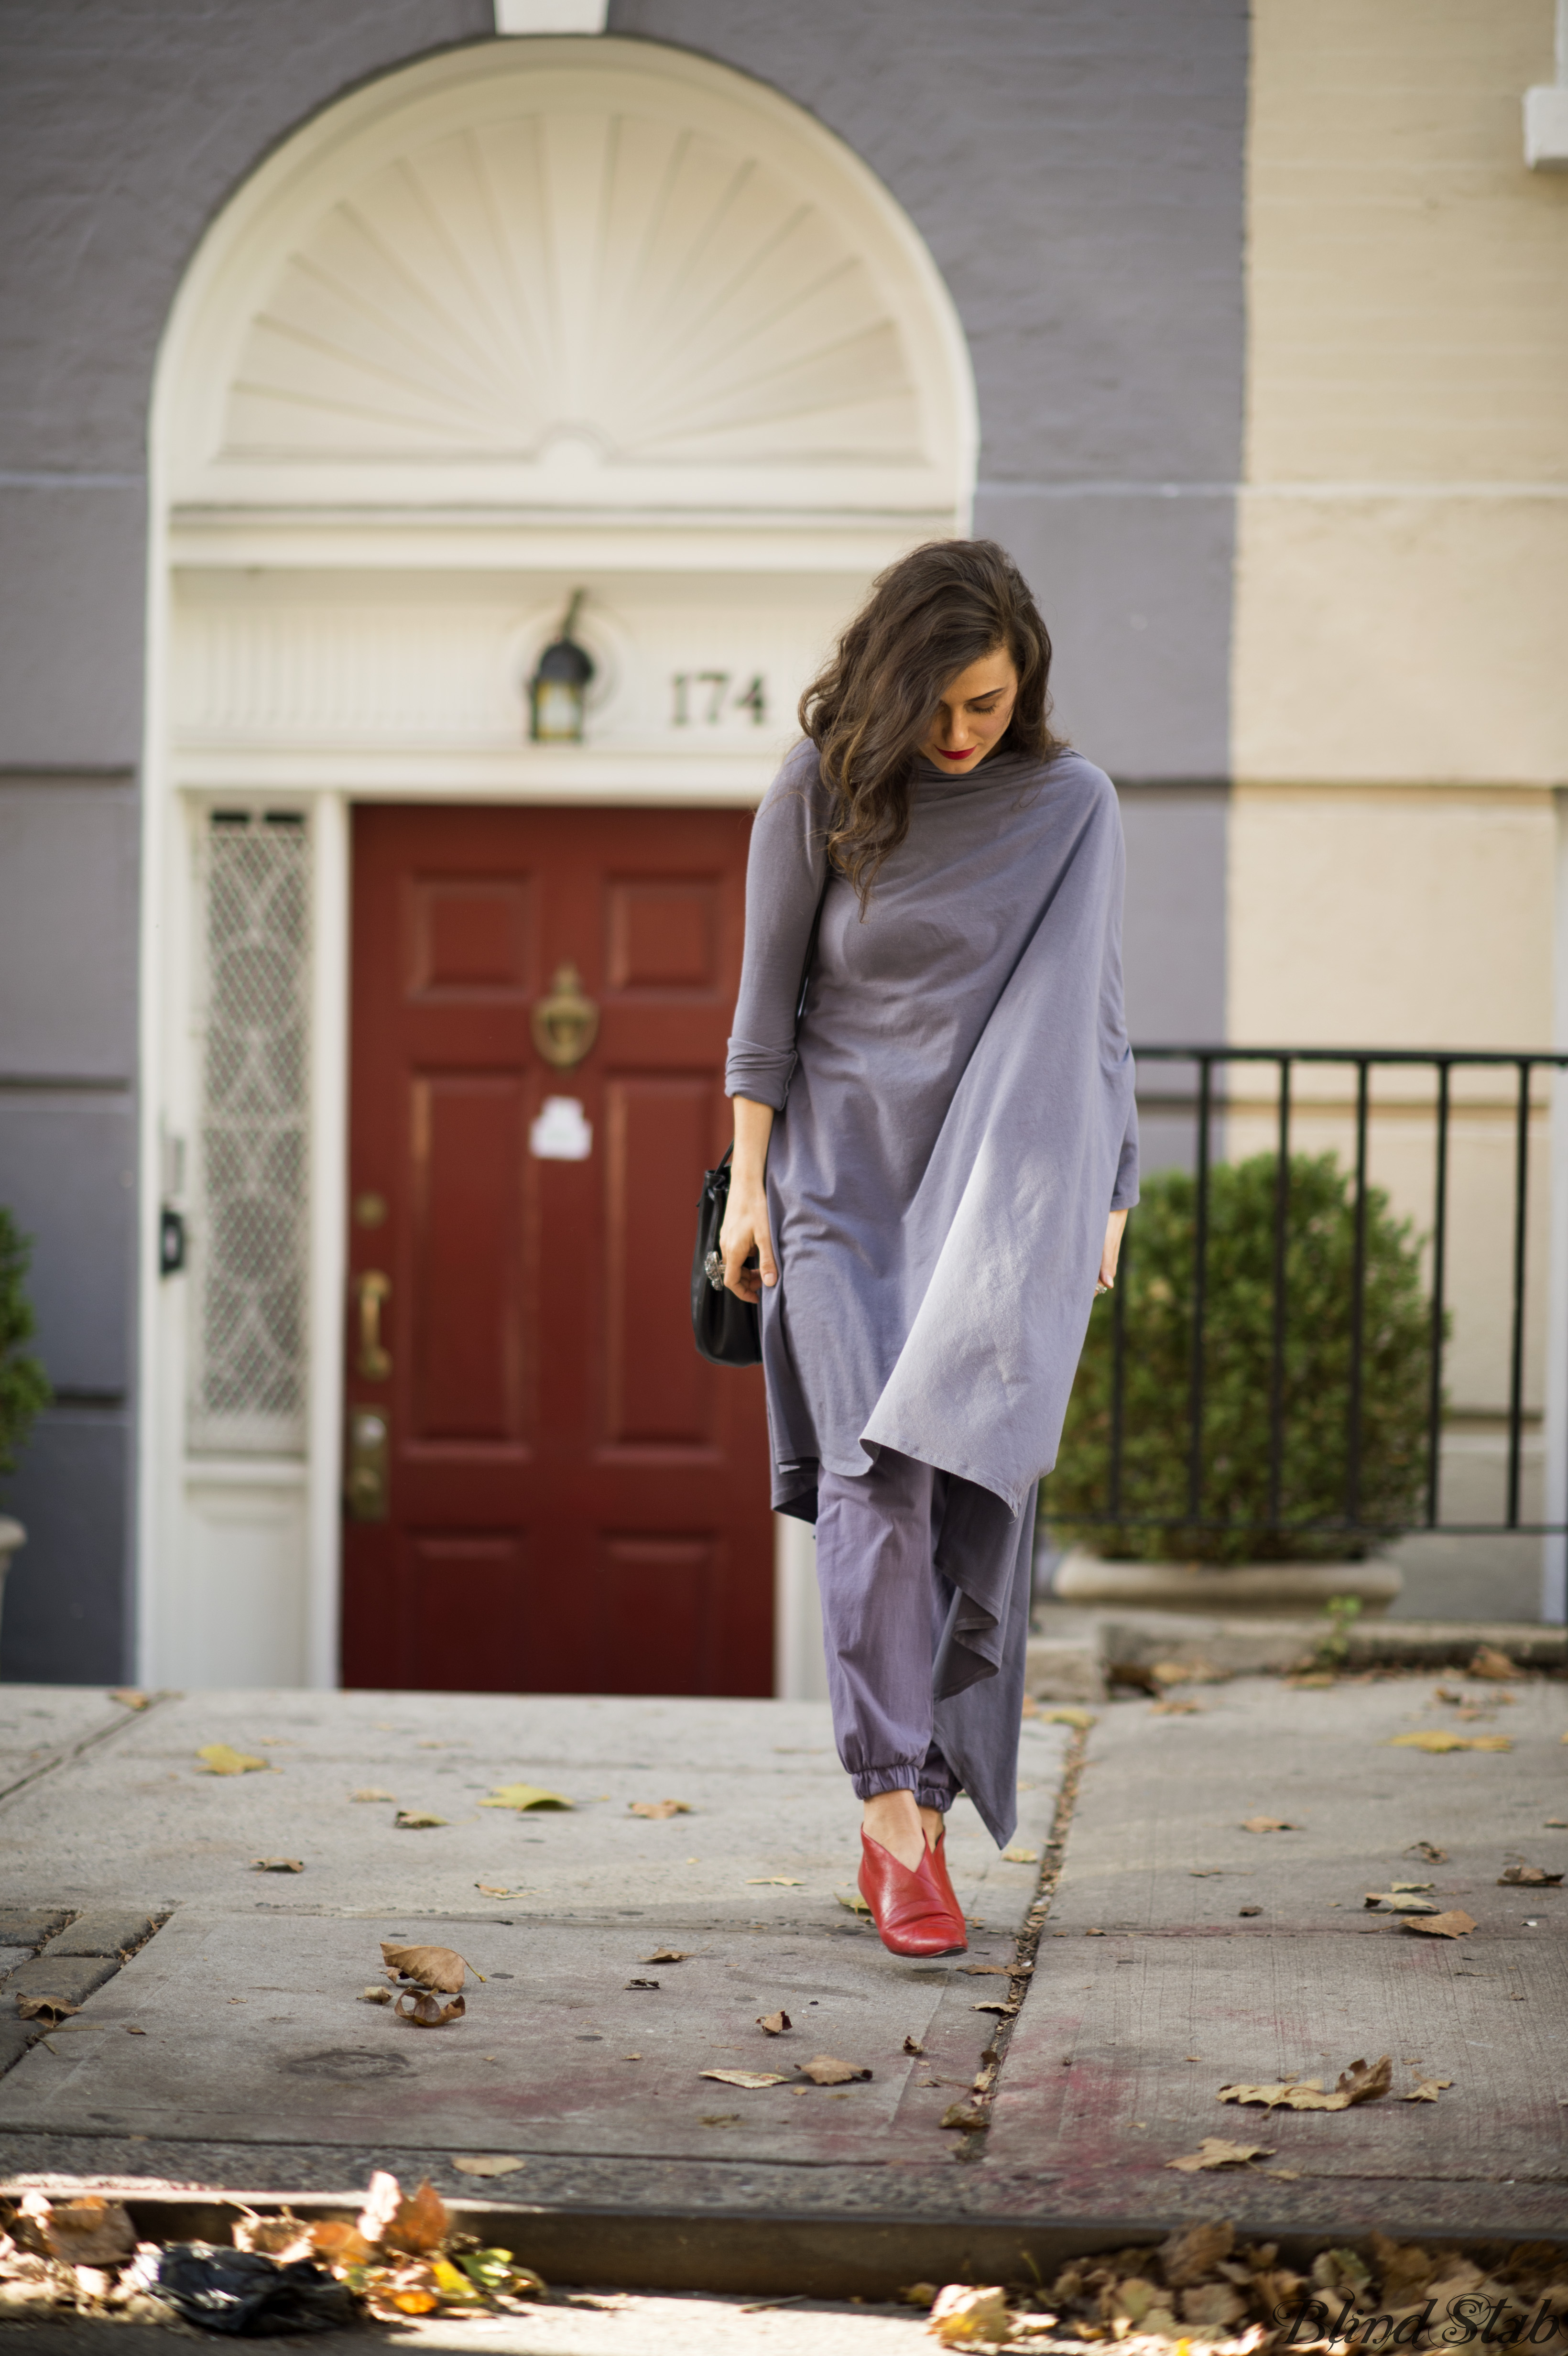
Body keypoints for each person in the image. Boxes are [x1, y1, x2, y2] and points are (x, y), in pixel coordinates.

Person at [720, 539, 1137, 1959]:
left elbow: (1093, 1006)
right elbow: (765, 1010)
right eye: (941, 707)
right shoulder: (824, 788)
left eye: (989, 706)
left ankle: (933, 1799)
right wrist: (748, 1189)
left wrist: (1113, 1184)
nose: (962, 737)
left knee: (971, 1485)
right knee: (875, 1476)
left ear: (1023, 691)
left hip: (995, 1191)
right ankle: (891, 1810)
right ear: (893, 684)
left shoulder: (1071, 803)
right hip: (839, 1183)